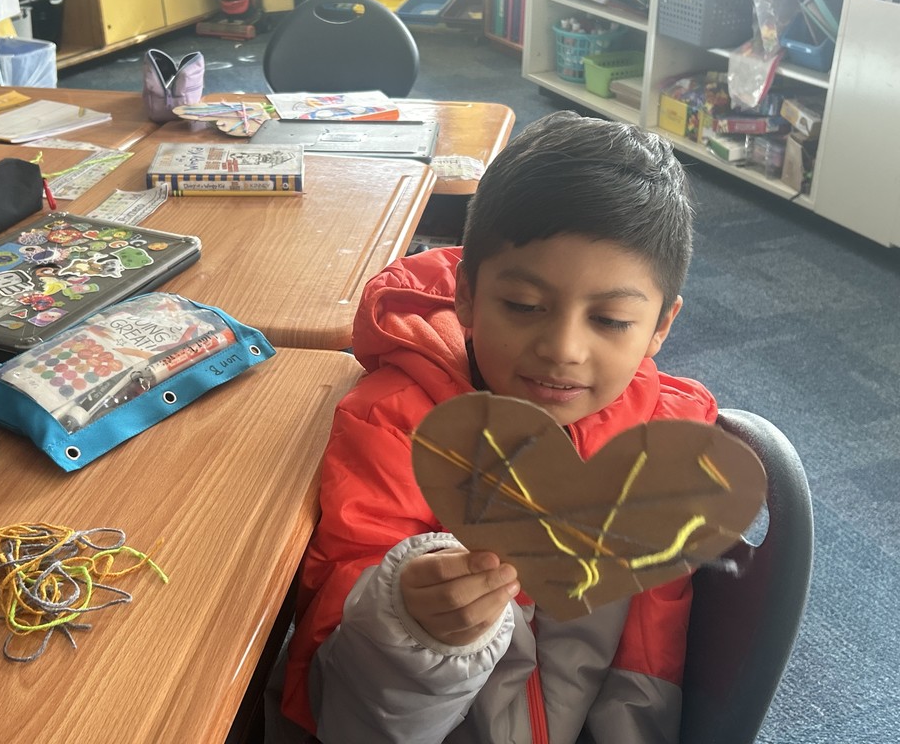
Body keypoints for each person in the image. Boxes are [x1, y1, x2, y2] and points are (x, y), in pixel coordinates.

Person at [267, 110, 717, 743]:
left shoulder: (664, 438)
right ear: (468, 295)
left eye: (611, 320)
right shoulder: (393, 425)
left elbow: (651, 652)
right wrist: (411, 627)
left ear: (661, 326)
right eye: (525, 307)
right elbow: (335, 696)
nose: (563, 348)